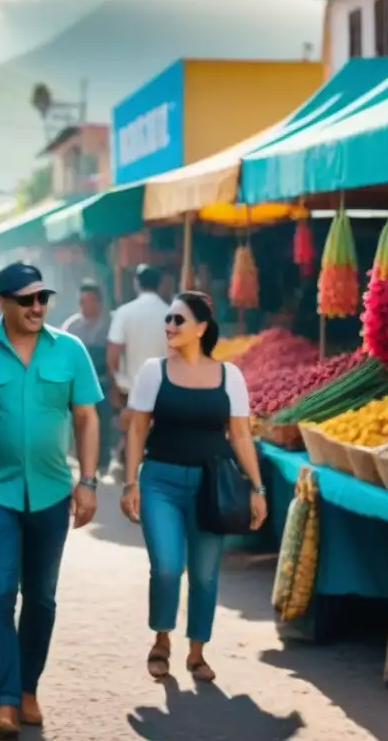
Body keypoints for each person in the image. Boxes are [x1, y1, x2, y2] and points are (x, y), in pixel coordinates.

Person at [0, 262, 103, 738]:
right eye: (25, 299)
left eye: (42, 299)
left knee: (42, 598)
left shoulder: (70, 350)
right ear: (2, 303)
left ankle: (29, 688)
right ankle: (4, 703)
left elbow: (87, 419)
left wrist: (89, 481)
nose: (36, 307)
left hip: (53, 492)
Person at [120, 292, 267, 684]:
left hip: (210, 489)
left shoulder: (230, 376)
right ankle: (161, 639)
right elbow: (137, 427)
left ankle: (197, 652)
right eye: (168, 319)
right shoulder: (154, 371)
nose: (169, 326)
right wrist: (130, 481)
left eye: (178, 320)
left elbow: (240, 435)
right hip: (159, 483)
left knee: (204, 574)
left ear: (202, 328)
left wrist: (258, 488)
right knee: (167, 567)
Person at [106, 264, 170, 478]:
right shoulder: (170, 314)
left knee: (133, 437)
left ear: (136, 283)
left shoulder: (124, 312)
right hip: (164, 390)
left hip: (131, 391)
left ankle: (127, 473)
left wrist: (116, 386)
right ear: (160, 285)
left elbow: (112, 357)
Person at [61, 280, 114, 472]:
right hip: (78, 384)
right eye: (80, 302)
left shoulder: (111, 323)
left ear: (98, 302)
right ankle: (83, 460)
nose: (83, 306)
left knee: (104, 423)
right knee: (80, 423)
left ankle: (102, 462)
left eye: (87, 301)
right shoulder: (71, 326)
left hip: (104, 382)